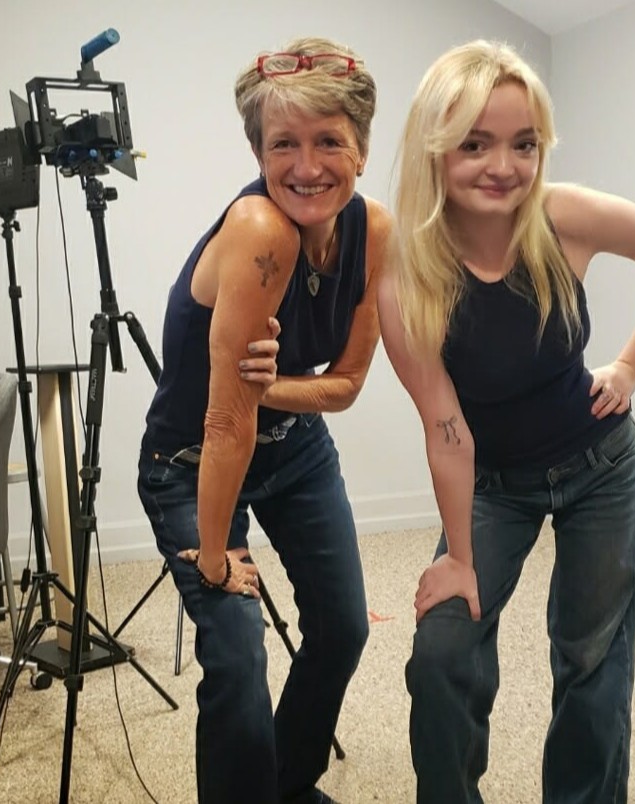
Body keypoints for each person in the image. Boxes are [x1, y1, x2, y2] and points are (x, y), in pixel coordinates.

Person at [378, 40, 635, 804]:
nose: (504, 166)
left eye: (523, 144)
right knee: (441, 652)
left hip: (601, 467)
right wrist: (459, 560)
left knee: (591, 657)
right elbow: (446, 430)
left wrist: (628, 367)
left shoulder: (563, 218)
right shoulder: (407, 277)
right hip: (492, 482)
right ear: (434, 147)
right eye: (475, 144)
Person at [137, 37, 390, 804]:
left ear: (362, 148)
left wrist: (271, 387)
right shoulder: (259, 231)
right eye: (284, 143)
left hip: (295, 450)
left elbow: (346, 386)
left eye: (329, 141)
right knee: (239, 652)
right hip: (195, 461)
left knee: (343, 628)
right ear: (257, 151)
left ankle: (286, 785)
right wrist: (214, 559)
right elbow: (224, 424)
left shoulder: (374, 233)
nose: (307, 166)